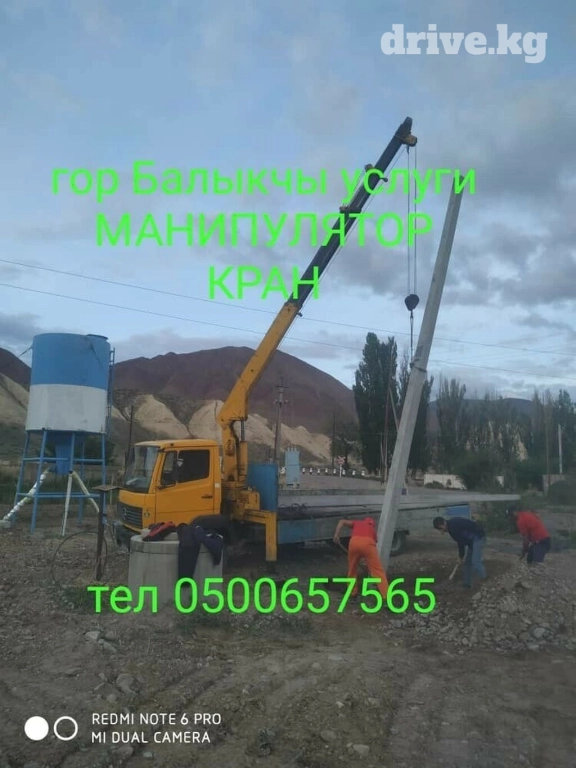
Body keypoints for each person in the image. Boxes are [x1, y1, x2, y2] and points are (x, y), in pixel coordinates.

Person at [333, 517, 389, 602]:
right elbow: (371, 547)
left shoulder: (357, 523)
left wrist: (336, 535)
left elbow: (342, 521)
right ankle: (387, 598)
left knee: (352, 571)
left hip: (354, 543)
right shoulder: (373, 531)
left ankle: (353, 595)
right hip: (368, 544)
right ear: (372, 525)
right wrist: (368, 564)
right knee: (378, 572)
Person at [433, 516, 487, 588]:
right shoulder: (451, 526)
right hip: (472, 542)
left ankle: (485, 582)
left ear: (442, 525)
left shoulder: (453, 527)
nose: (442, 532)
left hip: (478, 538)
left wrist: (461, 557)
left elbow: (461, 543)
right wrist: (461, 556)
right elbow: (461, 541)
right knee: (467, 564)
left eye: (441, 529)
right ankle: (467, 584)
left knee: (475, 561)